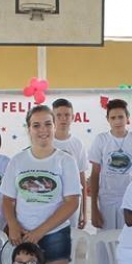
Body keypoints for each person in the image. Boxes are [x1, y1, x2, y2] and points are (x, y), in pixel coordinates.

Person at [0, 105, 81, 264]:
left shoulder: (66, 161)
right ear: (28, 129)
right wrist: (12, 225)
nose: (42, 130)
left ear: (54, 127)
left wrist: (39, 231)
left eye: (47, 124)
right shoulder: (18, 160)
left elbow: (72, 202)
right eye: (36, 125)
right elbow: (7, 199)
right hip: (20, 237)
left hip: (55, 236)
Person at [89, 99, 132, 231]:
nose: (117, 121)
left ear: (127, 118)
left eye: (120, 117)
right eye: (113, 117)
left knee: (128, 239)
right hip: (106, 199)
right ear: (108, 119)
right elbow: (95, 174)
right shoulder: (101, 139)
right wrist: (94, 208)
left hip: (130, 198)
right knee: (105, 243)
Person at [53, 98, 90, 229]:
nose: (63, 119)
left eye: (67, 115)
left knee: (70, 242)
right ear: (53, 118)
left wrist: (84, 212)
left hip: (72, 201)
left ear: (72, 117)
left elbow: (82, 179)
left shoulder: (77, 144)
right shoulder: (45, 142)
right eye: (59, 115)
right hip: (50, 200)